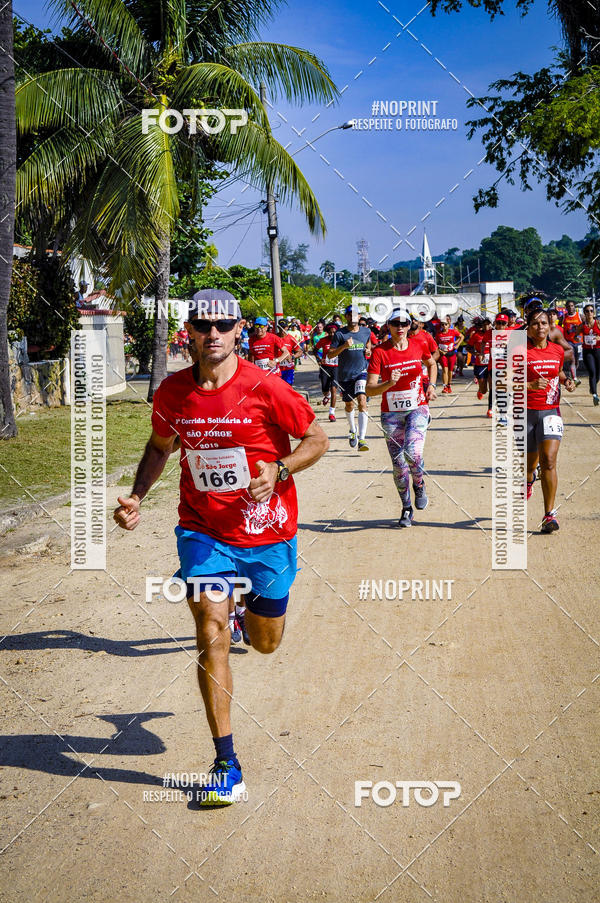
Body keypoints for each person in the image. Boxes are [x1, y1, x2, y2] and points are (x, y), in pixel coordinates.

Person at [113, 294, 329, 805]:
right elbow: (160, 447)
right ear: (188, 330)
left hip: (267, 534)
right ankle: (226, 762)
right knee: (209, 627)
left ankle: (246, 614)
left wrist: (279, 469)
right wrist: (137, 497)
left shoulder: (264, 386)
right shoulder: (170, 392)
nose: (213, 333)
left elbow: (317, 439)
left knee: (266, 642)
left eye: (223, 324)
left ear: (238, 331)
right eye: (203, 324)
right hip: (202, 531)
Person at [366, 310, 437, 526]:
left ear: (409, 326)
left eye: (404, 323)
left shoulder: (418, 345)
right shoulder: (380, 352)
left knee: (413, 454)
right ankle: (406, 508)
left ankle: (419, 483)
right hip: (391, 413)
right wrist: (388, 384)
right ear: (388, 325)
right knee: (398, 463)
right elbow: (369, 390)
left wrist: (432, 386)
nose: (400, 327)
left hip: (417, 407)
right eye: (395, 323)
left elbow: (432, 363)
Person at [525, 307, 575, 532]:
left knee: (549, 460)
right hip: (525, 413)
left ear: (549, 325)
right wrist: (529, 385)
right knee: (530, 464)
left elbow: (559, 372)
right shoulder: (519, 351)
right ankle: (528, 480)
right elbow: (502, 383)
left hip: (551, 411)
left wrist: (566, 382)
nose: (540, 327)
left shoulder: (557, 350)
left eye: (543, 323)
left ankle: (549, 515)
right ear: (528, 327)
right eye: (535, 323)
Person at [327, 305, 372, 451]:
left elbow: (368, 344)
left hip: (361, 372)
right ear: (346, 317)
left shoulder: (366, 331)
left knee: (362, 400)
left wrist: (369, 350)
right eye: (349, 315)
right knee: (349, 405)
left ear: (359, 317)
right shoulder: (340, 334)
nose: (352, 317)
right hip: (345, 375)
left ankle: (363, 439)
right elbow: (330, 354)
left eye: (355, 315)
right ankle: (353, 430)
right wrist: (344, 346)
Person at [574, 304, 600, 404]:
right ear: (584, 313)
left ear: (594, 313)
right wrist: (577, 338)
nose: (589, 313)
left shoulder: (598, 323)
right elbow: (576, 335)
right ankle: (594, 394)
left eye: (591, 311)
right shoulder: (582, 325)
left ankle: (592, 387)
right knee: (592, 372)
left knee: (598, 373)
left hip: (598, 350)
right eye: (587, 311)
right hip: (587, 351)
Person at [314, 322, 339, 420]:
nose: (332, 334)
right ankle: (327, 396)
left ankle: (331, 413)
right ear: (327, 332)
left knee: (334, 389)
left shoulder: (339, 341)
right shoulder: (323, 340)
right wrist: (319, 359)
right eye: (330, 332)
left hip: (336, 367)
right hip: (325, 367)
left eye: (334, 332)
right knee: (325, 389)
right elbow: (315, 350)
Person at [436, 315, 462, 393]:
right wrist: (440, 351)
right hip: (443, 354)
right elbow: (435, 345)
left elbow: (462, 336)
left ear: (448, 325)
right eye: (442, 324)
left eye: (445, 324)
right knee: (445, 370)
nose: (444, 326)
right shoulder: (438, 334)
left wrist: (457, 344)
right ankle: (444, 387)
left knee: (450, 371)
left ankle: (449, 385)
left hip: (451, 353)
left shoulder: (453, 331)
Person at [563, 300, 583, 383]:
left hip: (578, 342)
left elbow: (586, 326)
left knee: (577, 361)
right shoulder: (564, 317)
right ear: (566, 308)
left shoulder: (580, 316)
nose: (570, 308)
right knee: (572, 360)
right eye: (568, 306)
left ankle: (572, 375)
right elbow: (559, 327)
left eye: (572, 306)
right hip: (568, 342)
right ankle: (574, 379)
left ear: (574, 306)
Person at [277, 319, 302, 385]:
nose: (282, 330)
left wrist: (293, 356)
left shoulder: (291, 339)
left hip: (288, 368)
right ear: (278, 327)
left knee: (288, 387)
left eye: (284, 328)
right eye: (280, 327)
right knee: (278, 387)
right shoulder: (274, 338)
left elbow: (300, 352)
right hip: (277, 368)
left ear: (287, 327)